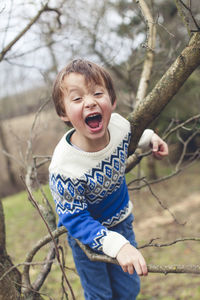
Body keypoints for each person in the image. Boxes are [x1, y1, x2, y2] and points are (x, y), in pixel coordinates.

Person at [49, 59, 168, 300]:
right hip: (86, 234)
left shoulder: (119, 126)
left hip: (121, 221)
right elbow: (74, 218)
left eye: (97, 93)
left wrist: (151, 138)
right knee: (100, 295)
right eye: (77, 98)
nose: (90, 101)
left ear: (111, 101)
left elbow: (131, 138)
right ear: (63, 113)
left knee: (129, 289)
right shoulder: (64, 167)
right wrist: (117, 245)